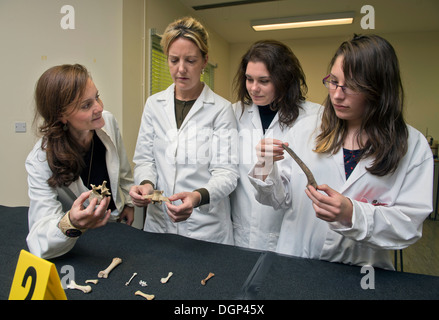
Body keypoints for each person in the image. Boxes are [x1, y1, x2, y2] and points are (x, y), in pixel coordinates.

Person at [249, 34, 433, 269]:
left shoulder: (413, 147)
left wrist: (352, 214)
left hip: (360, 271)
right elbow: (276, 199)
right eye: (333, 81)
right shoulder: (307, 130)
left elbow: (408, 226)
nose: (336, 94)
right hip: (297, 262)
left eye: (352, 86)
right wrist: (265, 165)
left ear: (379, 89)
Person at [129, 17, 238, 245]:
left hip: (205, 227)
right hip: (160, 223)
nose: (181, 69)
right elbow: (145, 159)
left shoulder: (221, 110)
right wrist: (146, 185)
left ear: (204, 61)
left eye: (190, 60)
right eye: (173, 60)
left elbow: (226, 174)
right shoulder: (154, 104)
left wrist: (196, 198)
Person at [26, 64, 134, 259]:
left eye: (97, 96)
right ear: (61, 116)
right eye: (86, 105)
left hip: (116, 227)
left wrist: (128, 204)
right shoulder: (40, 161)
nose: (99, 108)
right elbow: (39, 241)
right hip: (80, 243)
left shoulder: (107, 121)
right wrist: (72, 223)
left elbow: (123, 170)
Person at [230, 40, 321, 251]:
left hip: (286, 231)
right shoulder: (234, 113)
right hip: (241, 229)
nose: (254, 88)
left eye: (264, 81)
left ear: (284, 80)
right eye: (249, 79)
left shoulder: (314, 117)